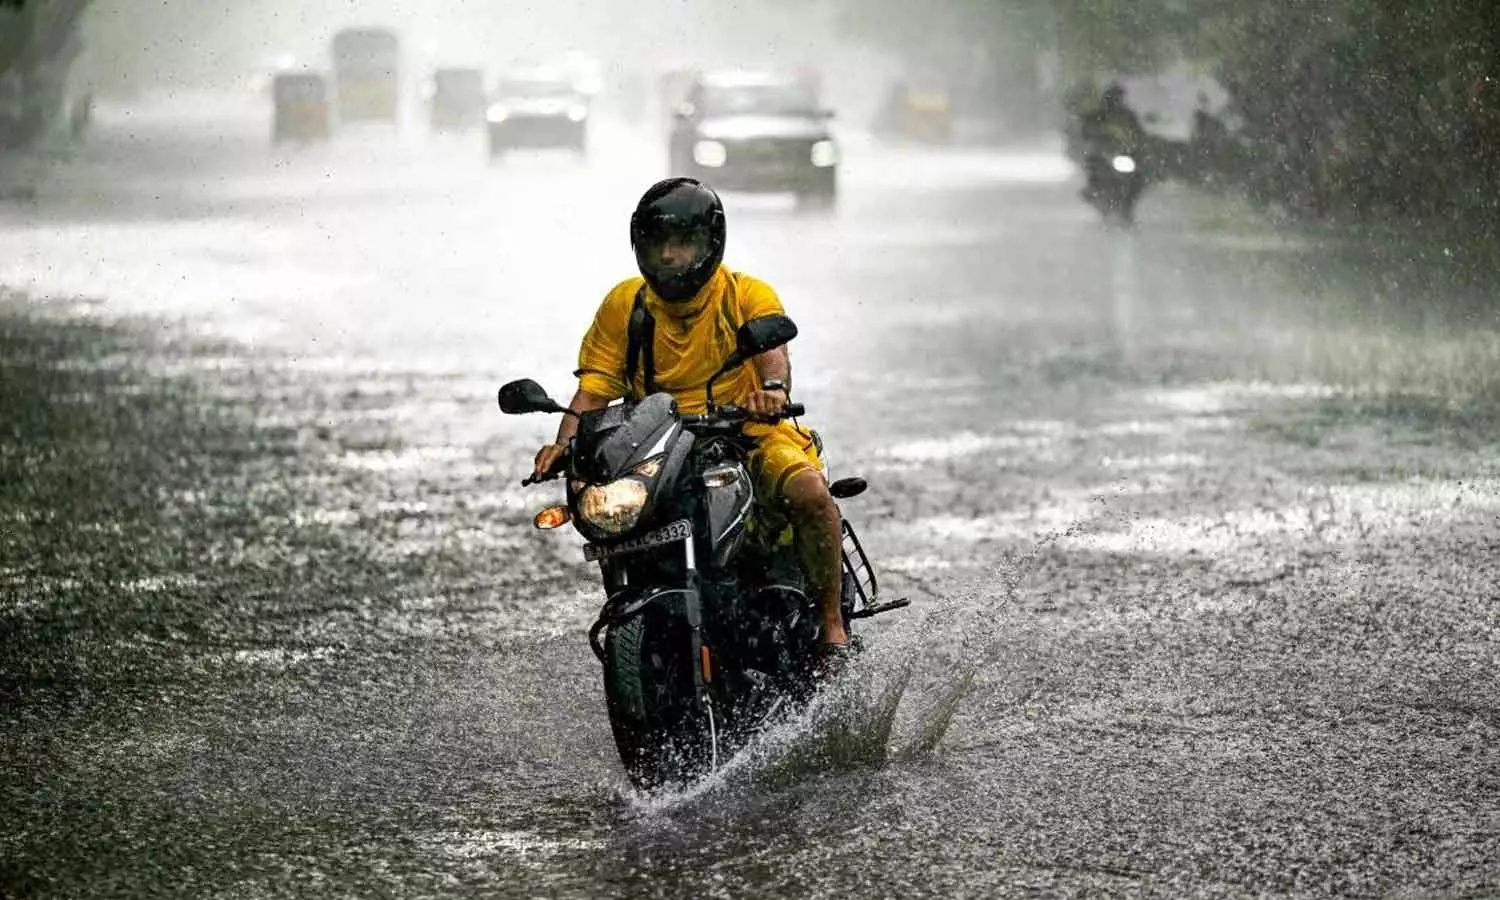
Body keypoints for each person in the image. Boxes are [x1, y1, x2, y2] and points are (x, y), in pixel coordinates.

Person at [530, 177, 850, 669]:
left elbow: (774, 357)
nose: (671, 257)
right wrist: (564, 444)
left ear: (711, 243)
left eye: (683, 243)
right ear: (640, 246)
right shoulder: (625, 305)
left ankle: (831, 630)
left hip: (747, 434)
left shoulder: (745, 293)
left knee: (809, 493)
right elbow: (592, 390)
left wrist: (771, 394)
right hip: (659, 448)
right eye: (659, 245)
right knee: (614, 518)